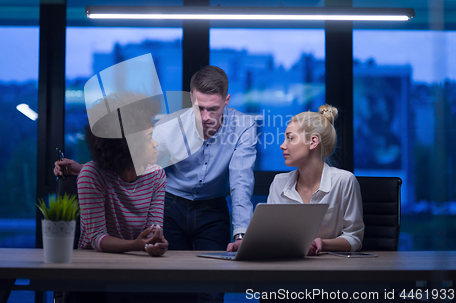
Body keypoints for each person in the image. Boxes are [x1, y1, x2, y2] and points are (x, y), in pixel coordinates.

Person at [55, 66, 257, 302]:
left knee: (211, 292)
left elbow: (241, 182)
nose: (205, 117)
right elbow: (131, 153)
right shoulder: (171, 124)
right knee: (172, 286)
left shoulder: (244, 126)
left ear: (227, 100)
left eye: (213, 109)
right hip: (172, 206)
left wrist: (242, 236)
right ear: (191, 98)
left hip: (213, 211)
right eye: (199, 108)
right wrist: (86, 169)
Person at [230, 104, 364, 256]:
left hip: (329, 269)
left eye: (290, 138)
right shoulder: (279, 182)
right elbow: (270, 237)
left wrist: (323, 244)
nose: (282, 145)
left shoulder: (344, 181)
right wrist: (246, 245)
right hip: (285, 268)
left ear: (313, 142)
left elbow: (354, 238)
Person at [76, 93, 168, 256]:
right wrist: (137, 245)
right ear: (127, 145)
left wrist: (156, 241)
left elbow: (153, 230)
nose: (156, 143)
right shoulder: (91, 175)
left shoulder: (156, 175)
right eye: (148, 138)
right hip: (92, 264)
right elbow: (96, 238)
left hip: (137, 262)